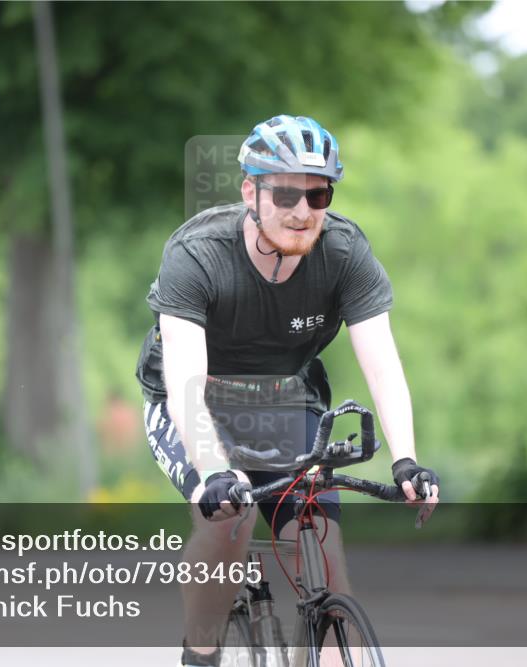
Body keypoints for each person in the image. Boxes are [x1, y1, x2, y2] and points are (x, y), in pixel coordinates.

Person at [135, 114, 440, 667]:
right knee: (231, 518)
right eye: (285, 194)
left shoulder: (344, 253)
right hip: (194, 400)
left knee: (324, 554)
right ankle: (200, 653)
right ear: (251, 191)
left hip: (285, 398)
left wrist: (407, 461)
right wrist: (212, 470)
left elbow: (383, 365)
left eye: (318, 194)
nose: (302, 212)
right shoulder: (197, 253)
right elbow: (186, 381)